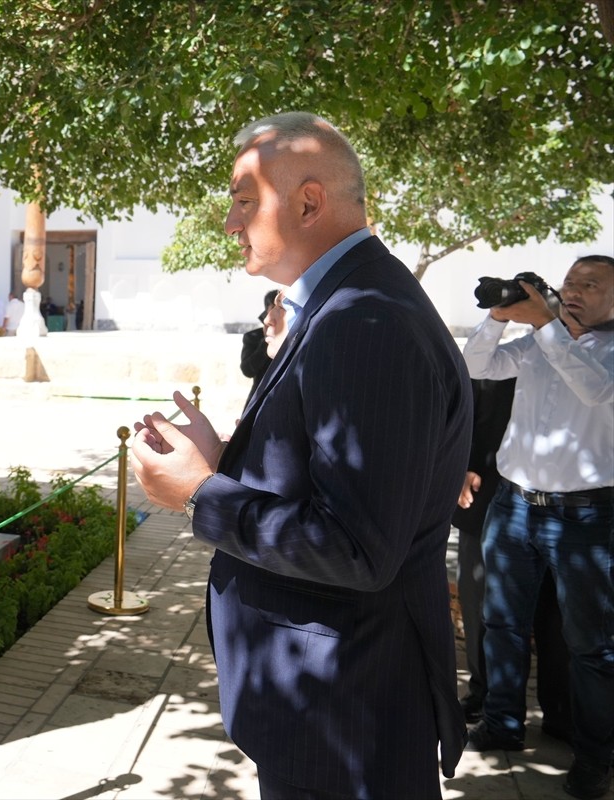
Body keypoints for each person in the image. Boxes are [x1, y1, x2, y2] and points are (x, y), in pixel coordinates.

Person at [129, 111, 470, 799]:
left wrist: (201, 494)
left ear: (309, 201)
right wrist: (226, 458)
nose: (230, 222)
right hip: (326, 701)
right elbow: (330, 479)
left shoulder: (365, 320)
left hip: (343, 710)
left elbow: (357, 548)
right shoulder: (349, 304)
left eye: (243, 199)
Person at [461, 255, 614, 800]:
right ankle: (502, 722)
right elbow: (478, 364)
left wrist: (546, 323)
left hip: (587, 518)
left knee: (592, 645)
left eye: (589, 285)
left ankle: (596, 757)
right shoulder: (540, 340)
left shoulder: (602, 350)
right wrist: (501, 316)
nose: (573, 291)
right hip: (515, 504)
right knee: (501, 624)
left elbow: (594, 389)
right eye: (569, 283)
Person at [453, 378, 571, 738]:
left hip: (573, 505)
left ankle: (562, 713)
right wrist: (465, 462)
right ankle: (487, 696)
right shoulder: (506, 337)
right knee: (482, 605)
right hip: (489, 490)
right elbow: (471, 400)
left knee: (559, 617)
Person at [239, 289, 281, 399]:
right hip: (260, 397)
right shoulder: (252, 337)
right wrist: (267, 341)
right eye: (274, 308)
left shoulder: (293, 334)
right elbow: (247, 370)